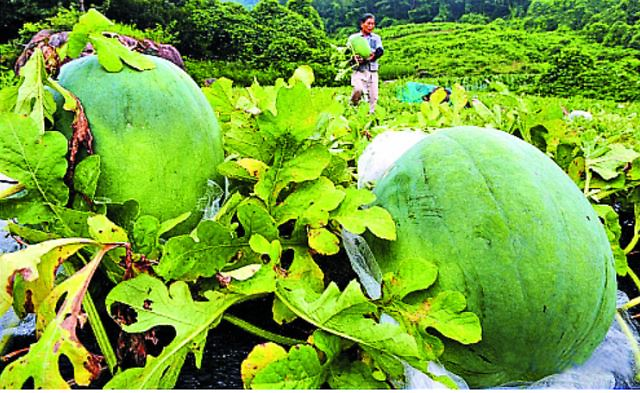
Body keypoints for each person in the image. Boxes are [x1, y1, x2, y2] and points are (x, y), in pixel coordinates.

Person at [348, 13, 384, 114]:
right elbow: (347, 54)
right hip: (359, 70)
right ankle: (353, 105)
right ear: (361, 24)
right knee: (358, 90)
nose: (371, 26)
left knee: (373, 97)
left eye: (373, 24)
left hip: (372, 70)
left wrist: (372, 56)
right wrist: (354, 58)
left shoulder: (376, 38)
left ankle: (370, 116)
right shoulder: (353, 38)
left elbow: (380, 51)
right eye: (368, 23)